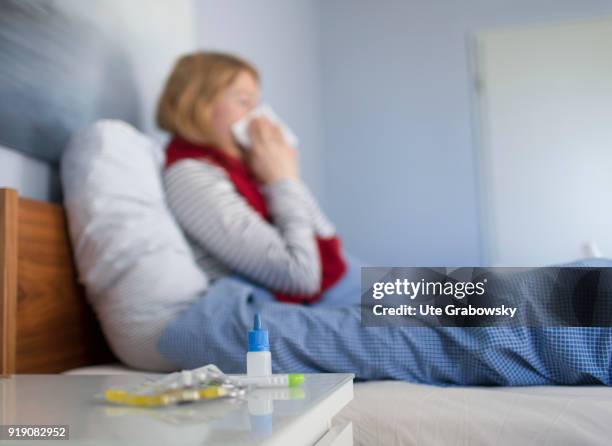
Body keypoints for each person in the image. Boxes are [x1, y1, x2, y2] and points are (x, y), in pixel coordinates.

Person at [157, 51, 353, 305]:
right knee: (417, 315)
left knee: (419, 293)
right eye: (243, 101)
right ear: (198, 105)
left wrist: (287, 174)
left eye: (257, 104)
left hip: (334, 280)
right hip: (294, 298)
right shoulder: (190, 175)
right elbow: (300, 276)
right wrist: (283, 181)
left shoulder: (244, 169)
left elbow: (326, 236)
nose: (257, 117)